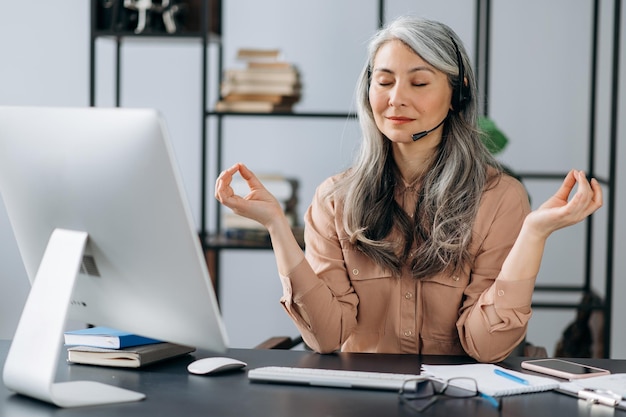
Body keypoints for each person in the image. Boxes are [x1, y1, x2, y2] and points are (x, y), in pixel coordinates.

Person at [214, 16, 603, 363]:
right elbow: (326, 337)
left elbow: (487, 347)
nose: (396, 98)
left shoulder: (499, 198)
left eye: (419, 82)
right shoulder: (334, 199)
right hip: (358, 403)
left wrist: (534, 234)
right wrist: (277, 228)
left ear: (458, 93)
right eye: (384, 81)